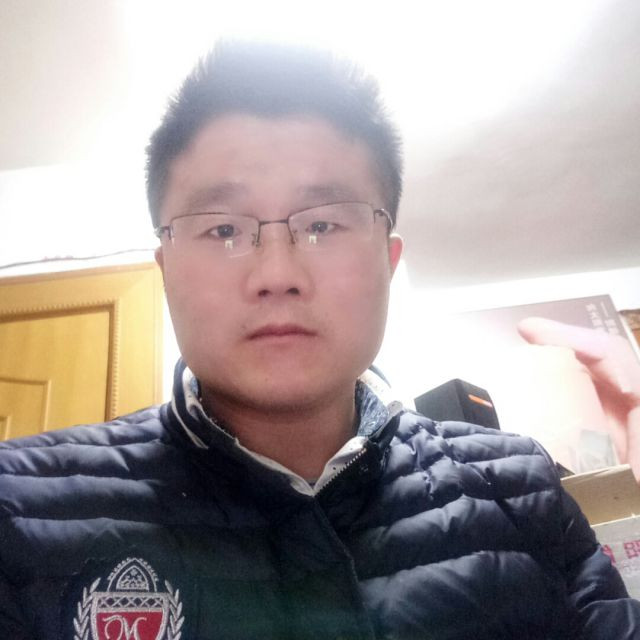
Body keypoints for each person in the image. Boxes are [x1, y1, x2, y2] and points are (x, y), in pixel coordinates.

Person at [0, 41, 638, 640]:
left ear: (388, 262)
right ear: (166, 271)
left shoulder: (519, 488)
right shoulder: (18, 508)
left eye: (324, 224)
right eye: (223, 229)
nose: (277, 274)